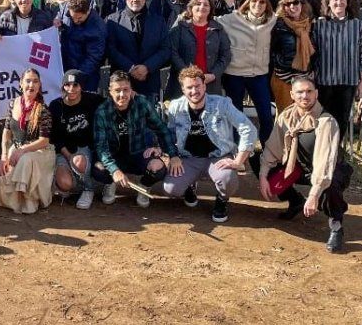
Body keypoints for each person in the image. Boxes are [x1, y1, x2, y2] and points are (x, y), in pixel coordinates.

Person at [259, 76, 351, 253]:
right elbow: (272, 149)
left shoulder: (326, 122)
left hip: (327, 170)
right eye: (300, 92)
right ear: (292, 95)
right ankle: (295, 202)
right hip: (298, 168)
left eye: (309, 91)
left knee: (330, 186)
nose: (305, 96)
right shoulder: (286, 117)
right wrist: (263, 175)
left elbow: (325, 163)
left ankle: (336, 226)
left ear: (316, 94)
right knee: (259, 160)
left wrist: (314, 194)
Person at [162, 66, 257, 223]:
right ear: (183, 89)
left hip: (218, 157)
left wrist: (238, 160)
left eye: (197, 86)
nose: (194, 91)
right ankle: (189, 186)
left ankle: (222, 199)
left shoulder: (222, 104)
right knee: (171, 188)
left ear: (204, 85)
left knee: (228, 181)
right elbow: (169, 134)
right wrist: (172, 156)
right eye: (189, 87)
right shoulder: (175, 107)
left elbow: (248, 128)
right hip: (189, 157)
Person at [92, 71, 181, 207]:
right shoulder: (102, 111)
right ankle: (110, 183)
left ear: (131, 89)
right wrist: (114, 170)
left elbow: (161, 129)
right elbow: (101, 147)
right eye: (117, 90)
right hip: (115, 155)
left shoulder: (141, 103)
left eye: (125, 90)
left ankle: (144, 185)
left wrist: (173, 155)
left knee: (158, 168)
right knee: (98, 169)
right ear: (110, 91)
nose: (122, 95)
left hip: (139, 153)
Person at [0, 68, 56, 214]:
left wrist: (22, 151)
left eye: (35, 81)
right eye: (28, 81)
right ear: (21, 84)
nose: (31, 85)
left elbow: (44, 140)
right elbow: (6, 131)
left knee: (26, 160)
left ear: (39, 85)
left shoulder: (43, 109)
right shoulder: (13, 104)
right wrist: (4, 156)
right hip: (17, 149)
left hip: (39, 152)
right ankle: (13, 203)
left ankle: (28, 203)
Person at [217, 0, 278, 153]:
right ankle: (235, 150)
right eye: (254, 1)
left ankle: (268, 152)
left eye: (262, 2)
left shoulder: (272, 20)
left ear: (267, 5)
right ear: (248, 3)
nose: (257, 5)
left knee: (266, 115)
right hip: (234, 75)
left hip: (258, 75)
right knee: (236, 115)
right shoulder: (233, 19)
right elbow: (211, 20)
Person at [314, 0, 362, 137]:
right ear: (328, 3)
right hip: (324, 82)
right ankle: (322, 155)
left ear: (347, 2)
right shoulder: (319, 25)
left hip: (348, 82)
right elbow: (312, 53)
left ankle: (337, 155)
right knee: (323, 121)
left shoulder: (357, 25)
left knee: (341, 121)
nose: (339, 2)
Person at [50, 70, 105, 209]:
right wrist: (68, 156)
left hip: (84, 149)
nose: (71, 89)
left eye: (75, 85)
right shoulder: (56, 106)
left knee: (79, 162)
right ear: (63, 87)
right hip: (63, 151)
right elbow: (54, 137)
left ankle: (88, 189)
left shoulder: (92, 100)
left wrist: (133, 96)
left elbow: (114, 102)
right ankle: (76, 183)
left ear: (81, 86)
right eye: (67, 85)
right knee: (65, 184)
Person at [105, 0, 171, 99]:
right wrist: (130, 68)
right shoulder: (112, 20)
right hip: (121, 83)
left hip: (150, 81)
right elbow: (110, 49)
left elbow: (165, 49)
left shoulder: (159, 21)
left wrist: (147, 67)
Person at [165, 0, 232, 99]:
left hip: (210, 84)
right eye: (198, 4)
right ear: (191, 8)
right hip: (182, 84)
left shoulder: (218, 29)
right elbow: (172, 51)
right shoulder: (180, 27)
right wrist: (187, 74)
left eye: (206, 5)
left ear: (210, 9)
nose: (202, 7)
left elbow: (226, 55)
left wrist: (214, 74)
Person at [271, 0, 317, 112]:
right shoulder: (277, 24)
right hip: (284, 78)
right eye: (287, 4)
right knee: (286, 115)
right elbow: (271, 50)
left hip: (305, 78)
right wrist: (285, 67)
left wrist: (312, 70)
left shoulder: (310, 25)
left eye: (295, 2)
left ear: (302, 4)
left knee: (304, 115)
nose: (292, 6)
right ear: (283, 7)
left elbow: (316, 51)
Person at [60, 0, 106, 92]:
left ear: (88, 11)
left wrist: (77, 76)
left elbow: (93, 58)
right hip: (66, 67)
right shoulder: (68, 14)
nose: (76, 21)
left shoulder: (97, 29)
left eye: (79, 18)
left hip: (86, 76)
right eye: (73, 17)